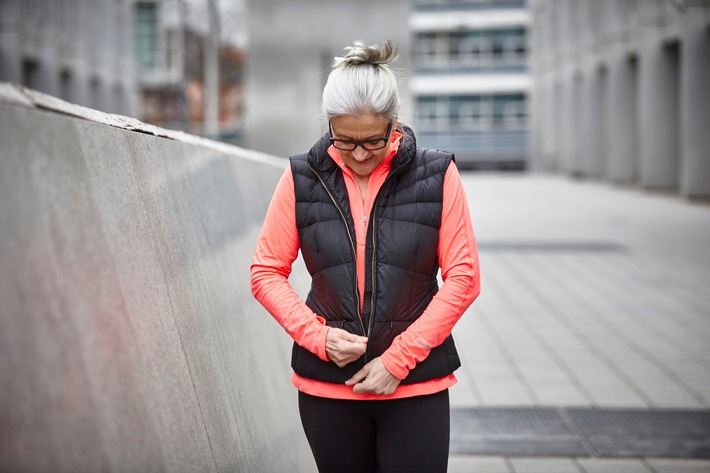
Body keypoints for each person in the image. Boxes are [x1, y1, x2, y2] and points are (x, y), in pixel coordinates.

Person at [250, 40, 480, 473]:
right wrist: (317, 337)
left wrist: (397, 361)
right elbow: (265, 272)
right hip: (328, 389)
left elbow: (464, 277)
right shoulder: (302, 177)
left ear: (394, 123)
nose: (358, 154)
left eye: (372, 141)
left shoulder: (437, 174)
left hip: (415, 386)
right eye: (345, 140)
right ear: (329, 124)